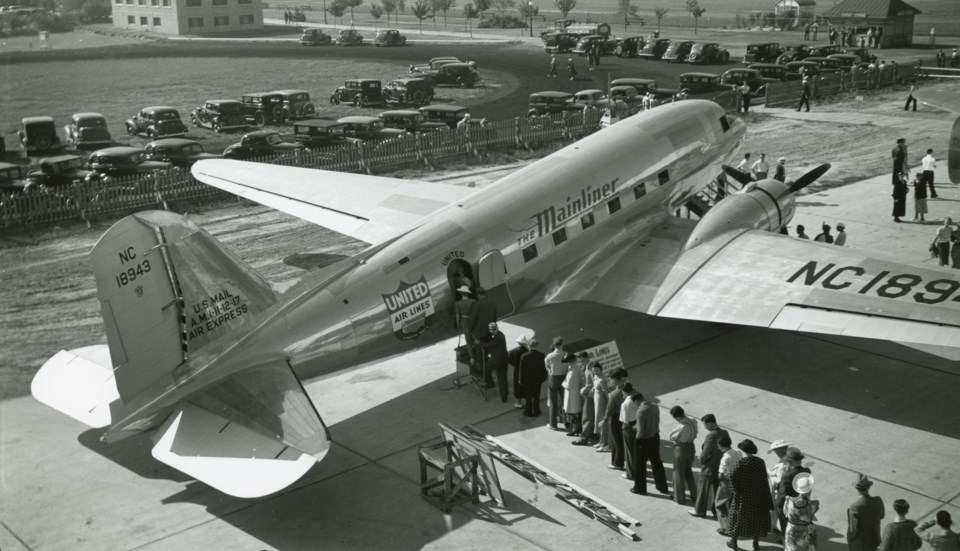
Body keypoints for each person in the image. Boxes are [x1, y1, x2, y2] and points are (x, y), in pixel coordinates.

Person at [727, 439, 774, 550]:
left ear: (743, 450)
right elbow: (764, 480)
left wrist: (736, 490)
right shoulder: (760, 462)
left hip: (743, 497)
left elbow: (732, 477)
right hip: (759, 496)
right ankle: (755, 544)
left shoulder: (741, 463)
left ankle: (733, 543)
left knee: (737, 520)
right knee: (757, 520)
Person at [691, 413, 729, 518]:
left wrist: (702, 461)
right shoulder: (725, 432)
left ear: (711, 423)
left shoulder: (711, 435)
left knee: (703, 489)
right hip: (720, 467)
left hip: (709, 467)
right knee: (717, 491)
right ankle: (716, 511)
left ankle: (699, 510)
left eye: (705, 425)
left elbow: (705, 452)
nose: (705, 427)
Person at [631, 391, 669, 495]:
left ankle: (640, 488)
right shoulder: (654, 406)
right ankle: (662, 487)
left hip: (644, 440)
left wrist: (637, 437)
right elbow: (656, 420)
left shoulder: (640, 411)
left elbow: (641, 431)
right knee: (657, 462)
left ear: (637, 400)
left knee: (640, 465)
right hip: (655, 436)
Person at [776, 447, 812, 536]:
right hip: (802, 502)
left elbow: (782, 493)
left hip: (789, 505)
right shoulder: (807, 470)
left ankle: (786, 541)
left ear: (790, 461)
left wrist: (778, 506)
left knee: (786, 526)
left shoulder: (787, 475)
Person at [668, 405, 698, 505]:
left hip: (681, 450)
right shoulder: (693, 420)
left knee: (678, 474)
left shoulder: (682, 426)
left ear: (675, 417)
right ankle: (694, 493)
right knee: (688, 471)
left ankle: (679, 497)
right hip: (691, 447)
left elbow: (671, 437)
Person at [848, 474, 886, 551]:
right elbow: (882, 515)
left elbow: (853, 531)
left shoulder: (854, 507)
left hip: (861, 545)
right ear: (868, 487)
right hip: (874, 540)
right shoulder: (878, 500)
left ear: (856, 488)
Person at [716, 434, 744, 535]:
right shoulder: (738, 452)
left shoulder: (725, 457)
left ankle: (725, 527)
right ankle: (735, 524)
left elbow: (721, 474)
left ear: (721, 445)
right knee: (733, 504)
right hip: (738, 480)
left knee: (720, 503)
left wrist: (720, 477)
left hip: (727, 482)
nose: (718, 447)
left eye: (718, 445)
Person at [784, 473, 819, 551]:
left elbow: (785, 513)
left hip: (791, 530)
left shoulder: (789, 500)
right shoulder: (814, 504)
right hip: (806, 531)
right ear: (810, 489)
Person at [606, 368, 629, 470]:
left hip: (616, 418)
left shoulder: (614, 394)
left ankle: (617, 462)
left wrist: (605, 420)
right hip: (628, 417)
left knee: (617, 441)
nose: (611, 381)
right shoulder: (630, 389)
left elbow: (609, 409)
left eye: (612, 379)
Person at [481, 322, 509, 402]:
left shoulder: (497, 338)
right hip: (504, 359)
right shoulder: (500, 335)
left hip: (498, 361)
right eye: (491, 330)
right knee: (503, 379)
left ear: (497, 328)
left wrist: (478, 343)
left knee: (485, 368)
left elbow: (489, 344)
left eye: (493, 330)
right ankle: (505, 395)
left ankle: (490, 383)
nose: (492, 332)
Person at [571, 352, 595, 445]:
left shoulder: (591, 368)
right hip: (589, 394)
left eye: (582, 361)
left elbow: (595, 383)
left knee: (587, 416)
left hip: (590, 395)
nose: (581, 363)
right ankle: (592, 434)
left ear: (587, 357)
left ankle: (583, 438)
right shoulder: (588, 366)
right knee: (591, 416)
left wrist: (586, 390)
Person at [519, 338, 546, 417]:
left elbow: (521, 369)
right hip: (538, 380)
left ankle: (529, 411)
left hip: (527, 380)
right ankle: (537, 411)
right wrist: (543, 378)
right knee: (536, 396)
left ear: (529, 346)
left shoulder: (524, 356)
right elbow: (543, 368)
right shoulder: (541, 355)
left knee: (529, 396)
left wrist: (520, 380)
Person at [545, 336, 567, 431]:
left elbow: (547, 367)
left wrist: (551, 370)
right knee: (565, 401)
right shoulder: (566, 355)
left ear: (554, 344)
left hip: (554, 379)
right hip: (564, 378)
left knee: (553, 402)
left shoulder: (549, 356)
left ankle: (553, 424)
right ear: (562, 344)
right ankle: (567, 422)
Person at [620, 383, 641, 481]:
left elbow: (625, 420)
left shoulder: (625, 404)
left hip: (628, 428)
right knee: (637, 451)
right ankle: (639, 470)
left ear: (624, 391)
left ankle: (631, 474)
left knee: (629, 452)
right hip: (638, 425)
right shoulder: (637, 399)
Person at [592, 362, 612, 452]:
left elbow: (606, 392)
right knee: (598, 423)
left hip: (601, 403)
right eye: (594, 371)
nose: (595, 372)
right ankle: (601, 441)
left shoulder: (602, 379)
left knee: (602, 424)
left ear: (601, 369)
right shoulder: (596, 377)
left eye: (597, 370)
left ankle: (605, 444)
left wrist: (609, 404)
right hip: (596, 403)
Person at [561, 352, 583, 436]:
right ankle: (576, 429)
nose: (566, 363)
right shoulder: (576, 368)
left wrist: (563, 383)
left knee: (573, 414)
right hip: (575, 393)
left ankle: (575, 430)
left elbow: (568, 385)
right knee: (575, 412)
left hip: (572, 395)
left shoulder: (572, 372)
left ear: (570, 361)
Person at [454, 285, 478, 362]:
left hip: (464, 322)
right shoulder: (473, 301)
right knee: (476, 337)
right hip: (473, 320)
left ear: (461, 293)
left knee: (468, 340)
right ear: (467, 293)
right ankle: (478, 354)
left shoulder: (457, 303)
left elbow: (457, 316)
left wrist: (458, 325)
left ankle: (472, 357)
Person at [508, 335, 530, 409]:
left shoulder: (513, 351)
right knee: (526, 386)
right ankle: (528, 402)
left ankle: (519, 403)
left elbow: (511, 361)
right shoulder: (527, 351)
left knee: (517, 387)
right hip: (526, 371)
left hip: (517, 370)